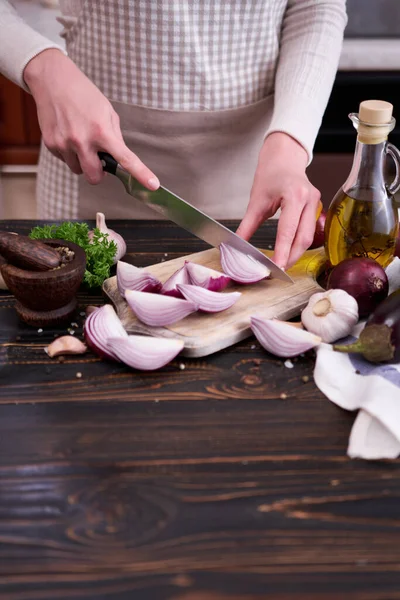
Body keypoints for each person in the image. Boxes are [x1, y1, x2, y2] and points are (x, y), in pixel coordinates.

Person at [0, 0, 347, 269]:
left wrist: (289, 143)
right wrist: (41, 65)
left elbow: (316, 6)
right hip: (92, 166)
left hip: (252, 183)